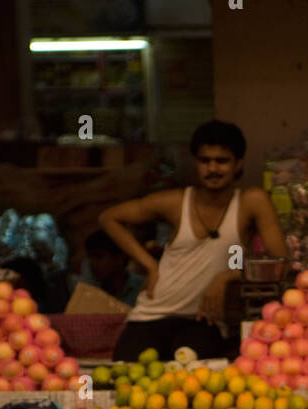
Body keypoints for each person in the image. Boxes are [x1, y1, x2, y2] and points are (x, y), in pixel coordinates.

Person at [100, 120, 288, 361]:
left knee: (187, 372)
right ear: (195, 163)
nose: (213, 168)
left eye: (222, 161)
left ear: (238, 164)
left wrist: (230, 275)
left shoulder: (251, 201)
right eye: (205, 160)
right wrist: (149, 265)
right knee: (124, 375)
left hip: (204, 321)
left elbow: (280, 263)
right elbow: (109, 218)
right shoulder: (176, 202)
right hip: (151, 314)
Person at [77, 229, 145, 307]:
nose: (92, 263)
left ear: (119, 259)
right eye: (90, 257)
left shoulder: (144, 288)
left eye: (98, 257)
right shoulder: (90, 294)